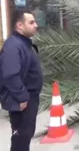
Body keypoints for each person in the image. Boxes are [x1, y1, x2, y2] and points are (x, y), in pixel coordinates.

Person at [0, 9, 42, 151]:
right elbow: (10, 75)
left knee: (24, 137)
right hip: (22, 102)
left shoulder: (23, 43)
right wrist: (23, 98)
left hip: (28, 99)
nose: (36, 25)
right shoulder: (13, 46)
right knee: (20, 140)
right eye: (31, 22)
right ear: (19, 25)